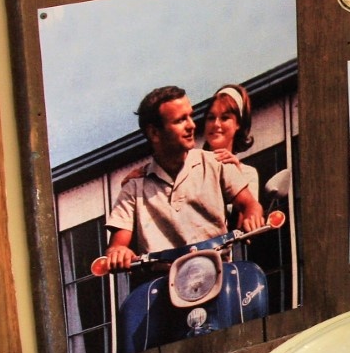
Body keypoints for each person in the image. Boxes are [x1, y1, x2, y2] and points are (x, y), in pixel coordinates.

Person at [102, 85, 260, 272]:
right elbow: (117, 244)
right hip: (162, 282)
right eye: (180, 120)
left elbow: (250, 204)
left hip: (218, 273)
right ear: (154, 133)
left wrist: (252, 216)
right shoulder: (134, 188)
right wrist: (118, 252)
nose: (192, 125)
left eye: (190, 116)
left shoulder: (217, 164)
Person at [201, 83, 267, 232]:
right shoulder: (192, 163)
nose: (216, 124)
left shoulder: (247, 173)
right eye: (211, 118)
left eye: (225, 118)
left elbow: (244, 228)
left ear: (238, 124)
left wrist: (236, 177)